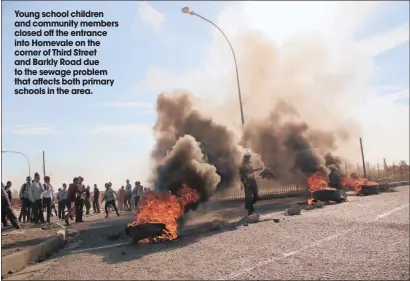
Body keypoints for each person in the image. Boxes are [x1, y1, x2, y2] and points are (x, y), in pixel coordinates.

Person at [239, 151, 262, 216]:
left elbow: (251, 171)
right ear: (245, 158)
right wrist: (243, 182)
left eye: (249, 157)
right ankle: (250, 211)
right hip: (247, 182)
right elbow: (241, 174)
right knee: (249, 198)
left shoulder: (250, 164)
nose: (249, 158)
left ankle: (248, 206)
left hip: (253, 181)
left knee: (256, 196)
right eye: (248, 157)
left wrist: (258, 169)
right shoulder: (242, 166)